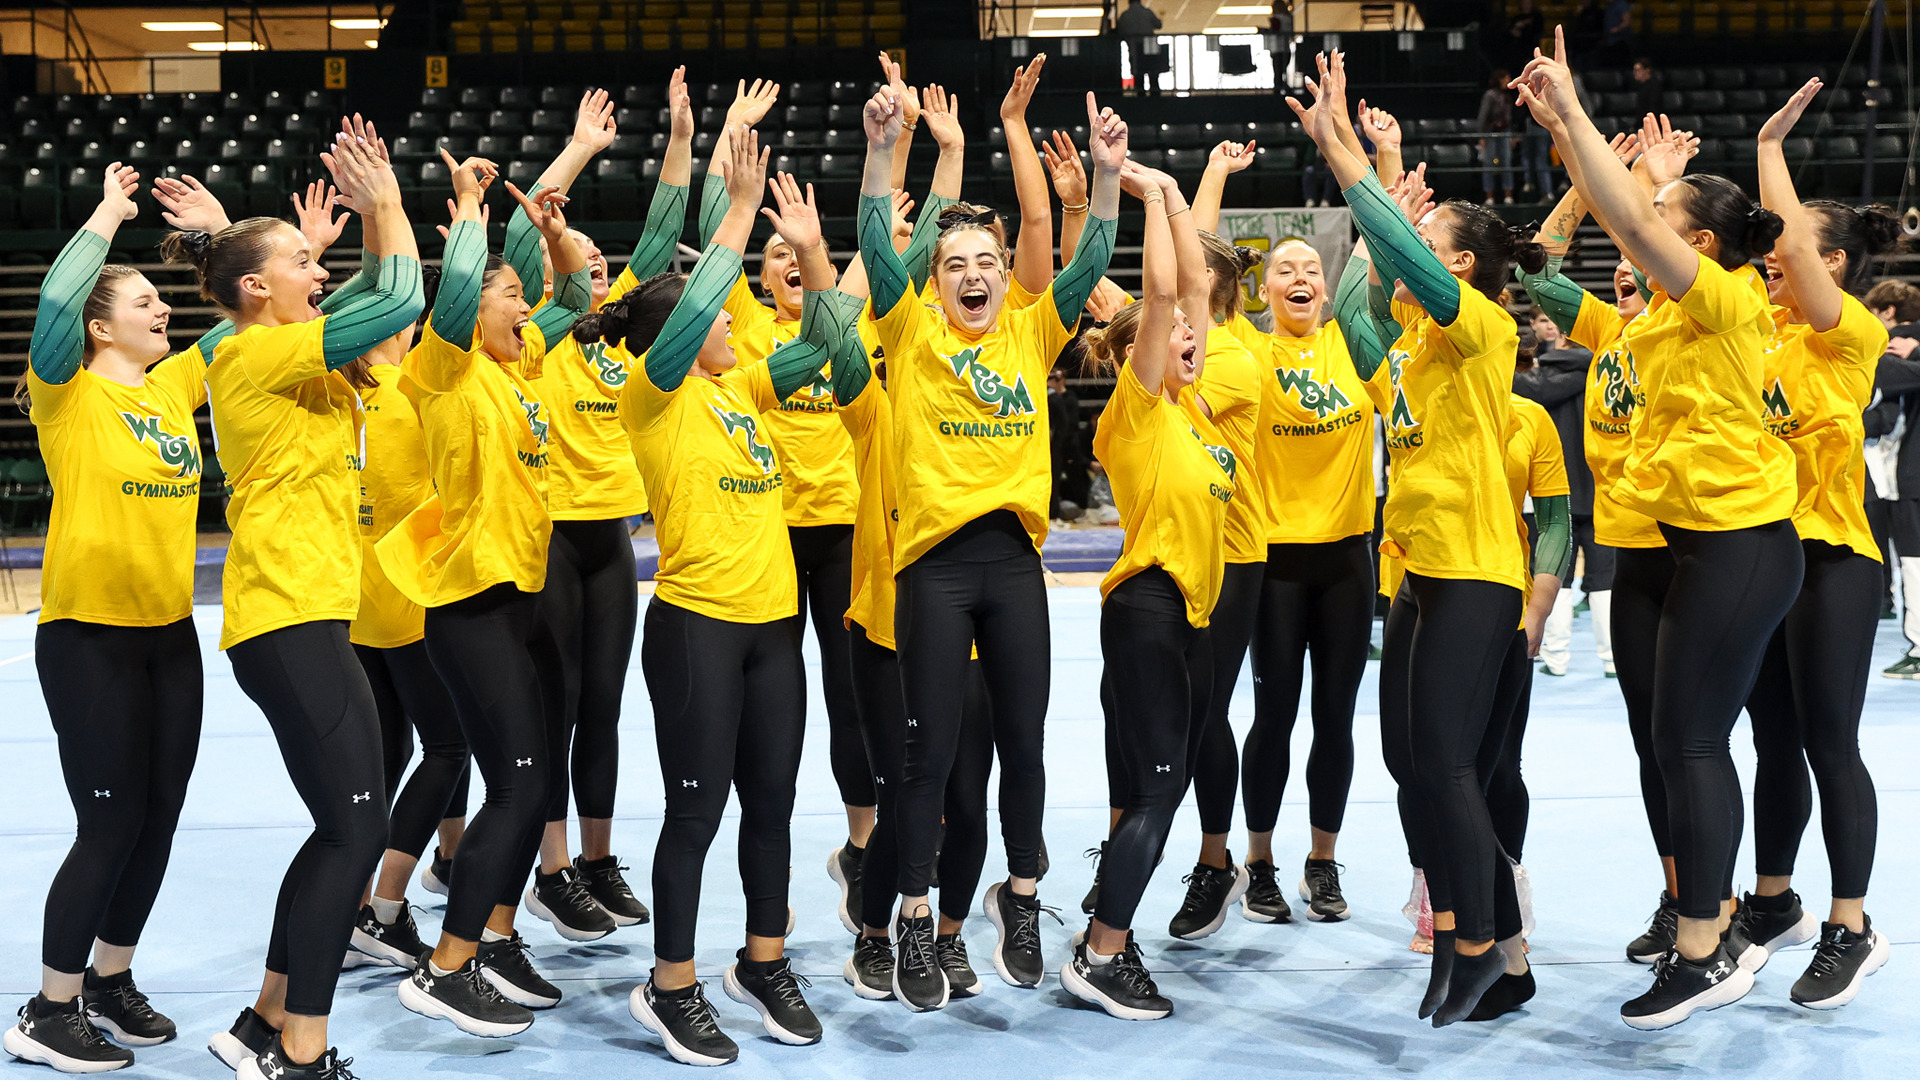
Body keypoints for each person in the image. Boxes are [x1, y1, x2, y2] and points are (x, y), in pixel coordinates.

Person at [1515, 28, 1804, 1030]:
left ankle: (1706, 945)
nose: (1641, 227)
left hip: (1739, 545)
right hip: (1694, 545)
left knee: (1690, 742)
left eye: (1666, 217)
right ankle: (1709, 923)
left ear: (1704, 245)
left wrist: (1588, 121)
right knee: (1679, 742)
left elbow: (1635, 226)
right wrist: (1567, 134)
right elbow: (1597, 231)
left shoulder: (1723, 303)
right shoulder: (1653, 325)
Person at [858, 85, 1121, 1010]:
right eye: (955, 263)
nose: (974, 274)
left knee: (1025, 740)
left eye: (988, 261)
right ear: (932, 282)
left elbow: (1087, 255)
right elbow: (871, 240)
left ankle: (1020, 897)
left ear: (1007, 274)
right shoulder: (908, 331)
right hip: (930, 569)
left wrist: (1109, 174)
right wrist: (884, 150)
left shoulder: (1029, 330)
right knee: (925, 756)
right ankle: (915, 922)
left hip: (1015, 567)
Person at [169, 127, 425, 1079]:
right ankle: (302, 1049)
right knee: (358, 826)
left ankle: (262, 1020)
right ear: (254, 291)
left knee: (343, 822)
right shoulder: (254, 355)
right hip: (286, 614)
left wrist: (272, 237)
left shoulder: (281, 343)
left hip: (310, 614)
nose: (319, 274)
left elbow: (377, 297)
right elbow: (396, 292)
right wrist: (383, 200)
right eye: (300, 264)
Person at [1293, 50, 1542, 1026]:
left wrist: (1349, 152)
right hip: (1417, 579)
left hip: (1479, 574)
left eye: (1431, 241)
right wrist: (1348, 145)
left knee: (1445, 763)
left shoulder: (1477, 327)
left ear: (1463, 266)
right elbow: (1360, 297)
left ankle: (1478, 944)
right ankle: (1470, 943)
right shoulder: (1402, 352)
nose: (1412, 255)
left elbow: (1398, 258)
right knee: (1409, 767)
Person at [610, 141, 860, 1067]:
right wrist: (737, 212)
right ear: (687, 332)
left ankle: (762, 961)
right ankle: (669, 985)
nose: (733, 328)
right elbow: (686, 322)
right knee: (696, 814)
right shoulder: (656, 399)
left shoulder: (743, 392)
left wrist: (814, 251)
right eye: (716, 318)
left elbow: (835, 347)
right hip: (695, 633)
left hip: (767, 635)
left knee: (772, 806)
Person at [1, 165, 231, 1075]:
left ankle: (109, 979)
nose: (158, 309)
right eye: (142, 301)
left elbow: (254, 327)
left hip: (168, 634)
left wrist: (220, 239)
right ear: (102, 326)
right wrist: (106, 210)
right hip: (88, 637)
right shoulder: (69, 393)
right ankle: (49, 1008)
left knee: (158, 818)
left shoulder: (172, 389)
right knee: (108, 823)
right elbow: (55, 302)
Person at [383, 150, 592, 1039]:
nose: (524, 309)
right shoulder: (443, 369)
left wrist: (554, 244)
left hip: (521, 595)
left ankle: (491, 945)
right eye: (512, 297)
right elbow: (462, 293)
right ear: (476, 311)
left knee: (532, 778)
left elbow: (579, 300)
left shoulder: (518, 369)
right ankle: (447, 965)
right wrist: (469, 210)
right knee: (514, 783)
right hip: (466, 602)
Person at [1179, 131, 1395, 933]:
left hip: (1347, 560)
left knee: (1335, 719)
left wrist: (1382, 156)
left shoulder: (1354, 343)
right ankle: (1258, 860)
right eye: (1285, 270)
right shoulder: (1245, 351)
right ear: (1262, 288)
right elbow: (1197, 261)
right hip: (1271, 564)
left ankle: (1322, 859)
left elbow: (1388, 238)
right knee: (1271, 717)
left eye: (1312, 269)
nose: (1301, 277)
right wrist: (1210, 176)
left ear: (1328, 287)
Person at [507, 83, 684, 941]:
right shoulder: (533, 340)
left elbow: (665, 225)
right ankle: (548, 867)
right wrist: (573, 155)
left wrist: (683, 134)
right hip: (550, 539)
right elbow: (520, 233)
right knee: (556, 705)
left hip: (611, 537)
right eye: (576, 260)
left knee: (605, 707)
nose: (599, 269)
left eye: (601, 261)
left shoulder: (623, 335)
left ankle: (598, 858)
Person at [1731, 79, 1895, 1010]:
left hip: (1833, 556)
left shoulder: (1847, 334)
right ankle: (1773, 899)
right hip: (1759, 558)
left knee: (1831, 741)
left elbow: (1785, 234)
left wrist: (1768, 150)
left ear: (1828, 261)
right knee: (1772, 740)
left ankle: (1852, 924)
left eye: (1792, 256)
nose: (1774, 265)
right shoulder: (1760, 335)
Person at [1062, 158, 1233, 1022]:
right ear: (1139, 354)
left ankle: (1105, 935)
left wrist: (1178, 193)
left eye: (1197, 337)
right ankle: (1103, 954)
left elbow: (1195, 288)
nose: (1191, 340)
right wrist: (1154, 200)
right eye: (1174, 338)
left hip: (1186, 621)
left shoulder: (1196, 413)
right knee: (1164, 790)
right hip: (1149, 611)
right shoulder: (1135, 413)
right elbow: (1167, 293)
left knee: (1143, 790)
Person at [827, 215, 999, 1007]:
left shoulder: (986, 388)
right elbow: (838, 326)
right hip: (889, 628)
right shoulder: (872, 395)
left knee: (968, 801)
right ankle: (873, 935)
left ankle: (949, 935)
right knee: (907, 793)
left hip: (975, 631)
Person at [1512, 306, 1606, 677]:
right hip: (1599, 490)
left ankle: (1555, 657)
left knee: (1555, 574)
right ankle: (1612, 660)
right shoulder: (1602, 371)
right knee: (1604, 578)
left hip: (1552, 489)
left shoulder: (1532, 383)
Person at [1863, 281, 1920, 676]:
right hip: (1902, 475)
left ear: (1887, 311)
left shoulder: (1893, 347)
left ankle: (1918, 647)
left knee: (1913, 563)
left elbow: (1880, 411)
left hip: (1907, 475)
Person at [1477, 71, 1518, 205]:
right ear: (1499, 79)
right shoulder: (1490, 95)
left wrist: (1512, 135)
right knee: (1489, 163)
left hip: (1505, 131)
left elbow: (1510, 118)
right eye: (1506, 78)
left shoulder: (1507, 95)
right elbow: (1483, 116)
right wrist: (1482, 135)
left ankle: (1508, 196)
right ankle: (1490, 197)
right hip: (1490, 132)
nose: (1508, 80)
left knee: (1506, 162)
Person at [1116, 0, 1166, 95]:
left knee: (1138, 75)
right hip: (1149, 47)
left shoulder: (1125, 16)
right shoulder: (1147, 12)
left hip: (1134, 48)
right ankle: (1156, 96)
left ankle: (1140, 96)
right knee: (1153, 74)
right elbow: (1158, 25)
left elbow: (1120, 32)